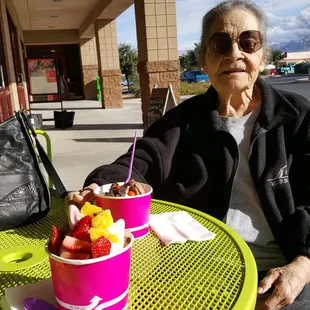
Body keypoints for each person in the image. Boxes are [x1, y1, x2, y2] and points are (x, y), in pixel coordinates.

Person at [67, 0, 310, 308]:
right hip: (201, 266)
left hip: (286, 266)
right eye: (219, 44)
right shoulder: (181, 123)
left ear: (262, 56)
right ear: (203, 61)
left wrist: (304, 264)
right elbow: (136, 164)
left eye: (248, 42)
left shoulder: (296, 116)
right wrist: (100, 188)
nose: (235, 53)